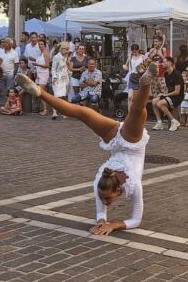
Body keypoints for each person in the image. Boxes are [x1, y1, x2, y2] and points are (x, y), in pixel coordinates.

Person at [15, 62, 158, 235]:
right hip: (130, 142)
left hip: (116, 138)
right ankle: (146, 83)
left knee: (88, 112)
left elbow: (126, 218)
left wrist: (107, 224)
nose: (103, 201)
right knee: (136, 111)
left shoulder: (102, 180)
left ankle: (41, 93)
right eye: (105, 197)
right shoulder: (124, 184)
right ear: (118, 190)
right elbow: (134, 220)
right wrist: (104, 222)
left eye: (105, 198)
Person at [151, 56, 184, 132]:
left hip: (177, 97)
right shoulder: (166, 74)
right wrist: (163, 94)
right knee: (154, 101)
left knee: (159, 103)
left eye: (164, 62)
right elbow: (168, 89)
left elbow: (177, 92)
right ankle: (159, 122)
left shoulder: (177, 74)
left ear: (170, 63)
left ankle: (174, 121)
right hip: (169, 95)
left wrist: (165, 95)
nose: (162, 64)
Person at [51, 42, 71, 119]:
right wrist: (54, 77)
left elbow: (67, 68)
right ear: (62, 49)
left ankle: (63, 112)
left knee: (63, 96)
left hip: (65, 78)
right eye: (66, 49)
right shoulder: (56, 57)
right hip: (58, 79)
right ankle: (54, 112)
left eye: (68, 49)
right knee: (56, 95)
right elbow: (53, 69)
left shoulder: (66, 57)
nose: (67, 51)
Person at [123, 44, 145, 111]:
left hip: (140, 77)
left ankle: (139, 112)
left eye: (136, 51)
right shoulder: (130, 57)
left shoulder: (143, 57)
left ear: (138, 50)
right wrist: (124, 67)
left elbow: (146, 66)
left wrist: (142, 69)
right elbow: (126, 66)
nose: (134, 53)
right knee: (130, 97)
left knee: (139, 97)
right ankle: (129, 113)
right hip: (132, 77)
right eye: (133, 51)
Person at [32, 39, 51, 115]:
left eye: (41, 44)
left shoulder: (45, 53)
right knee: (39, 92)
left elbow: (47, 66)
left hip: (44, 74)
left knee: (42, 93)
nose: (40, 45)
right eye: (39, 44)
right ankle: (45, 109)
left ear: (45, 45)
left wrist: (37, 65)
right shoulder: (40, 54)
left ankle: (46, 110)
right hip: (39, 74)